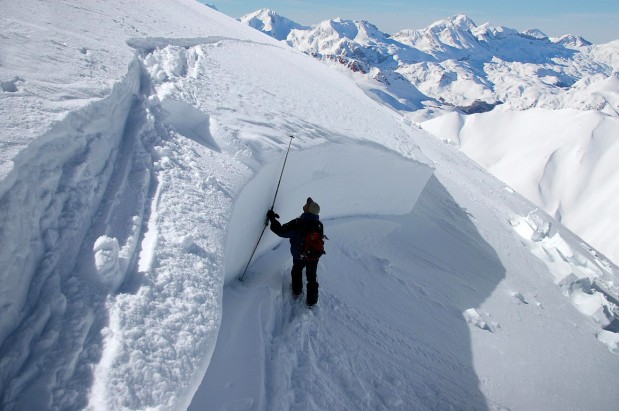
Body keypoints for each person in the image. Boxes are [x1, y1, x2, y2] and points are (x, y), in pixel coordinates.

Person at [267, 197, 324, 306]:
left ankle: (297, 291)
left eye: (307, 204)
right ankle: (312, 303)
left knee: (297, 271)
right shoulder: (319, 225)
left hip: (300, 256)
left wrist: (272, 219)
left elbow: (281, 231)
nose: (305, 204)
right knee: (312, 277)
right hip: (314, 257)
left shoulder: (299, 223)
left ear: (308, 210)